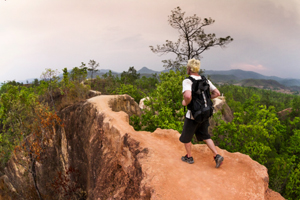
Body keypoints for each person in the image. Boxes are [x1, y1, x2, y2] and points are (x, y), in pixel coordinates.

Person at [180, 58, 224, 168]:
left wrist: (185, 103)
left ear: (189, 68)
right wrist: (208, 98)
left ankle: (189, 157)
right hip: (205, 113)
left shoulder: (187, 81)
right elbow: (217, 93)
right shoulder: (205, 80)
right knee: (205, 136)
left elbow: (188, 95)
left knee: (187, 137)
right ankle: (217, 155)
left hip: (193, 115)